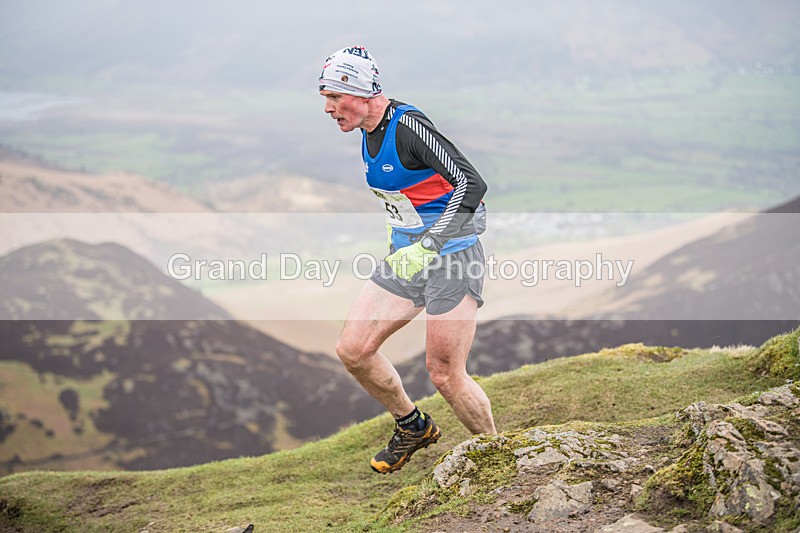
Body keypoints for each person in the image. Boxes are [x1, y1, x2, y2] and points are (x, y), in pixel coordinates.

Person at [319, 45, 497, 474]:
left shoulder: (409, 127)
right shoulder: (366, 126)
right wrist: (401, 232)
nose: (327, 108)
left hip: (452, 259)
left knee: (444, 374)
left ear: (360, 92)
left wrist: (430, 244)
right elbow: (412, 191)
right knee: (354, 351)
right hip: (407, 259)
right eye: (324, 98)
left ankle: (500, 455)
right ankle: (413, 426)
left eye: (333, 97)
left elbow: (471, 185)